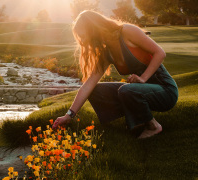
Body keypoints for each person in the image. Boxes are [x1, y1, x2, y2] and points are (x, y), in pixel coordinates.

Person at [52, 10, 178, 139]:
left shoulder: (127, 31)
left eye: (84, 36)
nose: (84, 42)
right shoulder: (106, 52)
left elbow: (160, 53)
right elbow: (87, 86)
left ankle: (153, 126)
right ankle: (134, 120)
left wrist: (143, 78)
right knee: (94, 90)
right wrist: (68, 115)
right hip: (139, 90)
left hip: (165, 90)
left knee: (126, 90)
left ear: (93, 30)